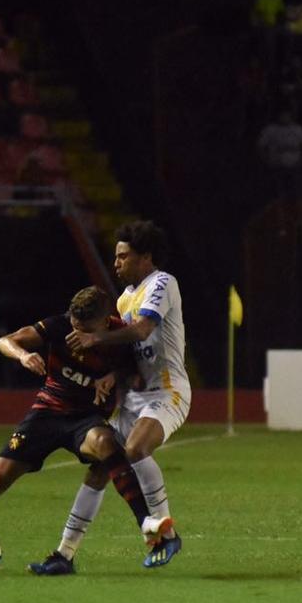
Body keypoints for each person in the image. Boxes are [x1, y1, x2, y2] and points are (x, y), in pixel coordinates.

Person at [0, 286, 172, 577]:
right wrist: (22, 356)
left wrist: (112, 377)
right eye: (74, 325)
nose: (75, 333)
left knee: (106, 443)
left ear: (104, 322)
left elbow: (133, 373)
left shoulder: (119, 337)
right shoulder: (58, 325)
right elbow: (5, 341)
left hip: (86, 418)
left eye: (83, 329)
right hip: (47, 413)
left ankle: (145, 522)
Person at [31, 220, 190, 573]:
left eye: (123, 256)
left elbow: (144, 328)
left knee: (134, 450)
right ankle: (64, 555)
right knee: (100, 469)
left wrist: (94, 339)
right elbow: (131, 351)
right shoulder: (122, 299)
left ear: (145, 257)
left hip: (168, 390)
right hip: (135, 396)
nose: (116, 263)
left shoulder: (162, 283)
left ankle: (166, 533)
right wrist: (111, 374)